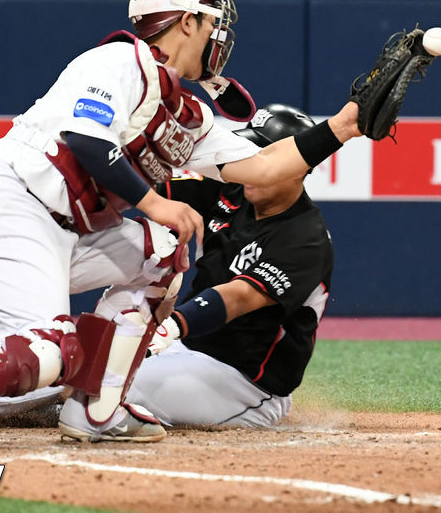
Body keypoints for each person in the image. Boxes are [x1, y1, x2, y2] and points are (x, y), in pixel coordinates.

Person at [0, 0, 362, 450]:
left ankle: (97, 407)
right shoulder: (119, 62)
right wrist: (156, 204)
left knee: (163, 254)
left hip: (69, 233)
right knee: (53, 349)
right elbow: (87, 140)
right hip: (14, 207)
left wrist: (343, 127)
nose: (219, 36)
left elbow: (264, 166)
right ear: (187, 21)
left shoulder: (185, 113)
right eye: (213, 23)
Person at [125, 104, 332, 427]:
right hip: (187, 349)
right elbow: (146, 184)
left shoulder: (306, 237)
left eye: (261, 155)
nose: (249, 163)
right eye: (247, 151)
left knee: (114, 386)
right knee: (85, 368)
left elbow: (239, 297)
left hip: (244, 384)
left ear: (297, 167)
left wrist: (170, 328)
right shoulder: (231, 187)